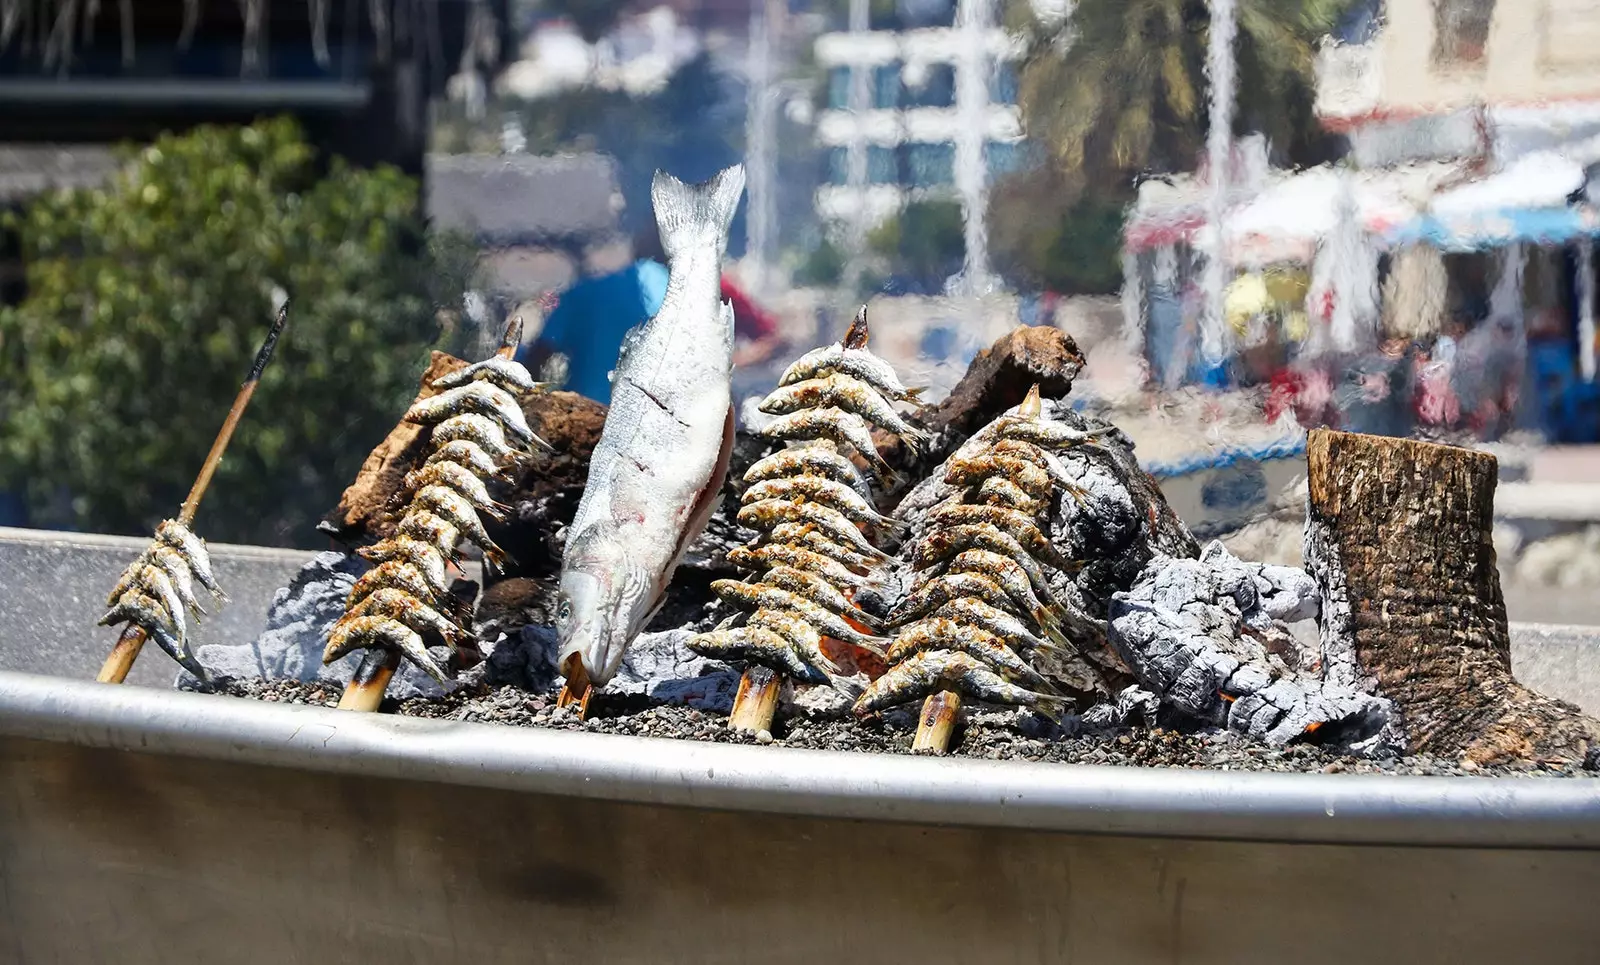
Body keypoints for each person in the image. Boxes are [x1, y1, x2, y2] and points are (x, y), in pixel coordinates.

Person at [518, 226, 784, 404]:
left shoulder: (586, 291)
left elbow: (536, 356)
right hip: (665, 429)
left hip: (585, 416)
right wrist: (728, 364)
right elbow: (773, 339)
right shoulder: (702, 290)